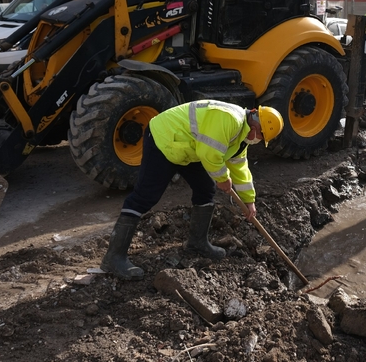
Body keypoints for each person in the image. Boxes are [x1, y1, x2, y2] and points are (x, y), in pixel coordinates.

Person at [101, 100, 284, 280]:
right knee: (145, 197)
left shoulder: (241, 138)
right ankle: (114, 257)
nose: (259, 141)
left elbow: (240, 168)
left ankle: (197, 243)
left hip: (188, 146)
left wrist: (249, 200)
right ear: (256, 129)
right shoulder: (230, 120)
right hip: (165, 139)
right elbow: (209, 153)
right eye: (261, 138)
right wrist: (222, 178)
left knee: (205, 190)